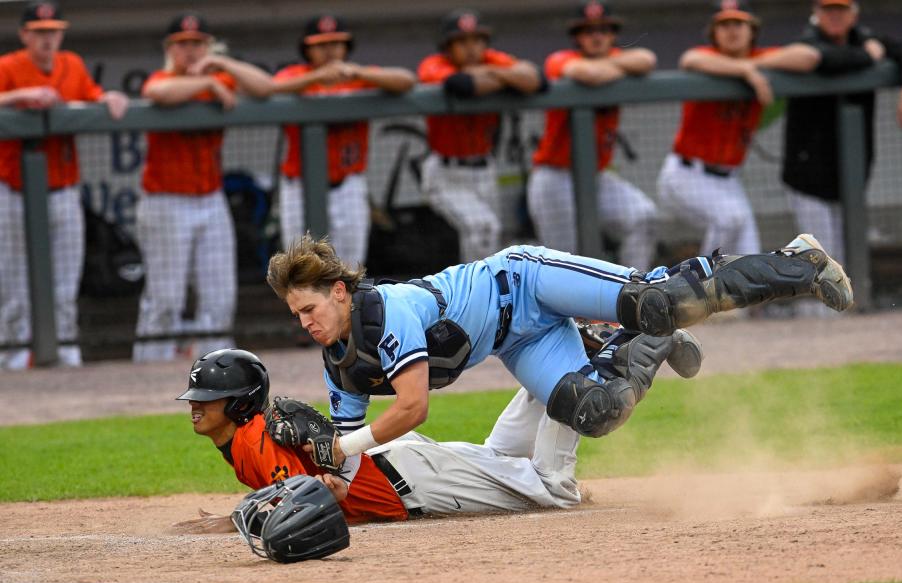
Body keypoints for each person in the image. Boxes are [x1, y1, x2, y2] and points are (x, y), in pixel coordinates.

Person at [264, 232, 852, 471]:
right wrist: (303, 482)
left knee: (654, 299)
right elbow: (343, 461)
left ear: (340, 292)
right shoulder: (342, 365)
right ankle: (649, 342)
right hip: (518, 339)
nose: (306, 323)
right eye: (297, 316)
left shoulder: (386, 312)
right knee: (598, 412)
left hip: (524, 280)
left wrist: (344, 445)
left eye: (310, 309)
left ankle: (798, 262)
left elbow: (412, 410)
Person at [175, 326, 701, 530]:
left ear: (238, 402)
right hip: (404, 468)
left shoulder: (250, 440)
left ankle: (615, 362)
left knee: (554, 492)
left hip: (411, 482)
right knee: (502, 457)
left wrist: (233, 519)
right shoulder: (251, 437)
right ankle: (584, 350)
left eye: (208, 399)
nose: (197, 407)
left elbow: (319, 494)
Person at [132, 13, 273, 363]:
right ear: (170, 49)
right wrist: (207, 85)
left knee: (219, 296)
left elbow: (265, 88)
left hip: (210, 199)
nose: (191, 50)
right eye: (183, 44)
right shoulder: (166, 78)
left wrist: (220, 64)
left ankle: (219, 371)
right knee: (166, 298)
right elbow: (157, 92)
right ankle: (149, 370)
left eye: (198, 43)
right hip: (165, 200)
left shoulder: (221, 73)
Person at [0, 1, 128, 370]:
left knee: (65, 280)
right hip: (14, 191)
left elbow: (91, 95)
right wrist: (18, 97)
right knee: (13, 281)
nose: (47, 38)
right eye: (39, 32)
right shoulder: (9, 67)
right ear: (24, 34)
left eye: (53, 31)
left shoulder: (71, 63)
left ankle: (67, 352)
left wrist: (109, 97)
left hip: (63, 190)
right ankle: (13, 355)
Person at [657, 0, 820, 257]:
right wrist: (745, 70)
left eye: (739, 24)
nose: (732, 30)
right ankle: (702, 286)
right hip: (686, 174)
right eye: (724, 25)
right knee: (729, 220)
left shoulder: (759, 58)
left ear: (752, 30)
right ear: (714, 32)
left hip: (729, 178)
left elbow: (809, 57)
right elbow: (689, 59)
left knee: (748, 255)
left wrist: (754, 66)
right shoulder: (707, 56)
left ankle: (729, 294)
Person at [781, 0, 902, 272]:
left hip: (849, 176)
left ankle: (841, 312)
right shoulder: (808, 42)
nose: (835, 15)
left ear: (854, 14)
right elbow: (827, 59)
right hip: (807, 176)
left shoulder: (866, 39)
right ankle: (813, 313)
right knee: (819, 256)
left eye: (841, 9)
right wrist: (868, 56)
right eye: (828, 10)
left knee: (845, 256)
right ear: (816, 13)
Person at [272, 15, 415, 264]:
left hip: (348, 185)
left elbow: (406, 81)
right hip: (299, 187)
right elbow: (269, 88)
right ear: (307, 49)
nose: (329, 51)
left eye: (336, 43)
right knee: (299, 268)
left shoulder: (359, 76)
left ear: (346, 47)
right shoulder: (296, 75)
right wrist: (316, 78)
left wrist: (359, 72)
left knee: (349, 268)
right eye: (321, 44)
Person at [527, 0, 658, 271]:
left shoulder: (618, 59)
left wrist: (608, 69)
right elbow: (586, 73)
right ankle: (569, 315)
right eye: (588, 31)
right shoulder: (561, 59)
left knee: (643, 216)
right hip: (554, 177)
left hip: (595, 177)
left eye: (603, 30)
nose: (597, 36)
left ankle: (632, 293)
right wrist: (618, 69)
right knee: (563, 260)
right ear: (577, 37)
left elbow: (647, 59)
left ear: (613, 35)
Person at [417, 9, 544, 262]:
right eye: (462, 42)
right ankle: (473, 296)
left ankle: (481, 296)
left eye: (477, 40)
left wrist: (493, 74)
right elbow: (463, 86)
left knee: (490, 240)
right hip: (446, 170)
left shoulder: (491, 60)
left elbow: (537, 79)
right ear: (447, 47)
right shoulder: (434, 64)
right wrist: (505, 78)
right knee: (483, 227)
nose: (472, 48)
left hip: (485, 168)